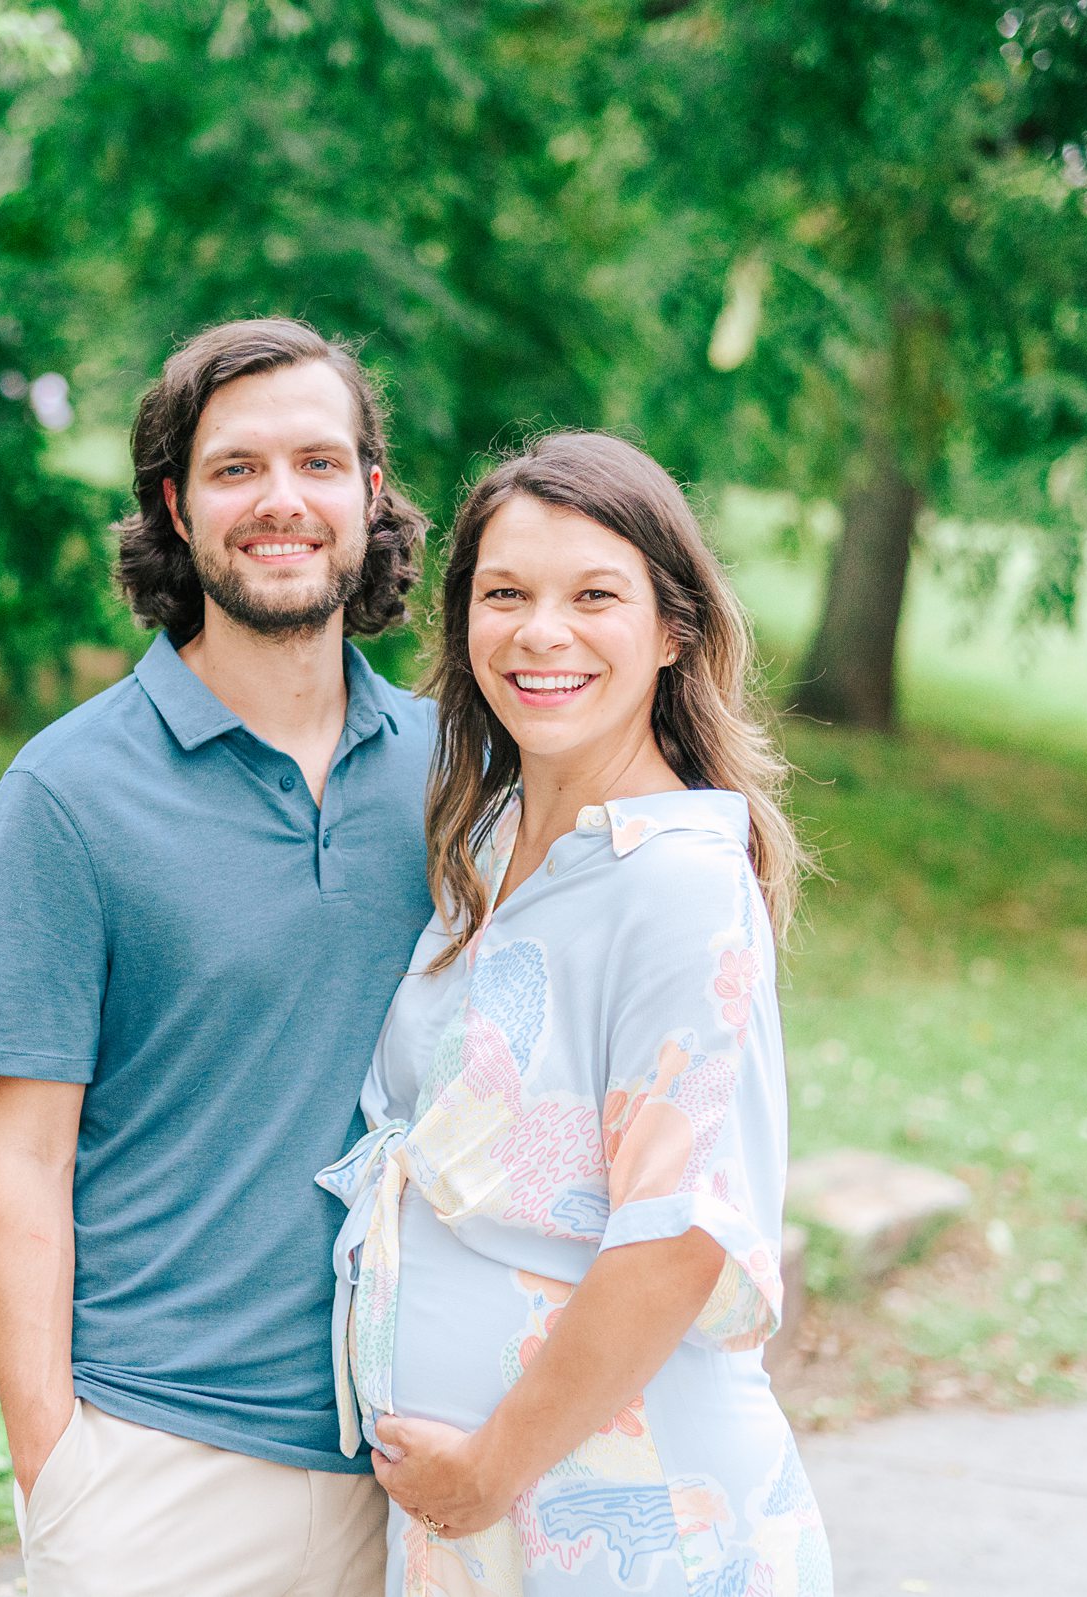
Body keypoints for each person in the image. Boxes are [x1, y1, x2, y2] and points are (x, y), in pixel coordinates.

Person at [0, 317, 435, 1596]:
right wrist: (57, 1469)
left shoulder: (462, 776)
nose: (283, 500)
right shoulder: (67, 791)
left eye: (320, 464)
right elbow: (19, 1149)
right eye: (237, 469)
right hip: (159, 1460)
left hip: (418, 1457)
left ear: (370, 492)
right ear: (175, 505)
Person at [317, 433, 831, 1595]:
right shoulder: (492, 840)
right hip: (479, 1520)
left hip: (624, 1509)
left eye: (594, 594)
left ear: (672, 630)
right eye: (505, 594)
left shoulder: (679, 881)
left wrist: (492, 1467)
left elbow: (677, 1237)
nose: (541, 632)